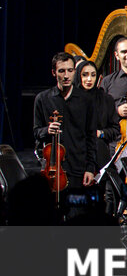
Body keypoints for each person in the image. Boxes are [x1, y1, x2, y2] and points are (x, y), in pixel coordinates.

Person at [33, 53, 101, 190]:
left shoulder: (86, 100)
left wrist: (90, 168)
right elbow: (36, 131)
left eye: (70, 71)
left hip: (78, 167)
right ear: (53, 73)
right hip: (52, 167)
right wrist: (47, 130)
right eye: (61, 71)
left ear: (74, 72)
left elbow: (90, 137)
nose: (66, 76)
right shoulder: (42, 99)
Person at [75, 59, 121, 172]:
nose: (89, 79)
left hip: (99, 153)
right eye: (84, 75)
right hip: (76, 155)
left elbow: (115, 129)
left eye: (93, 75)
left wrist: (100, 133)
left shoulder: (106, 99)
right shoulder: (70, 99)